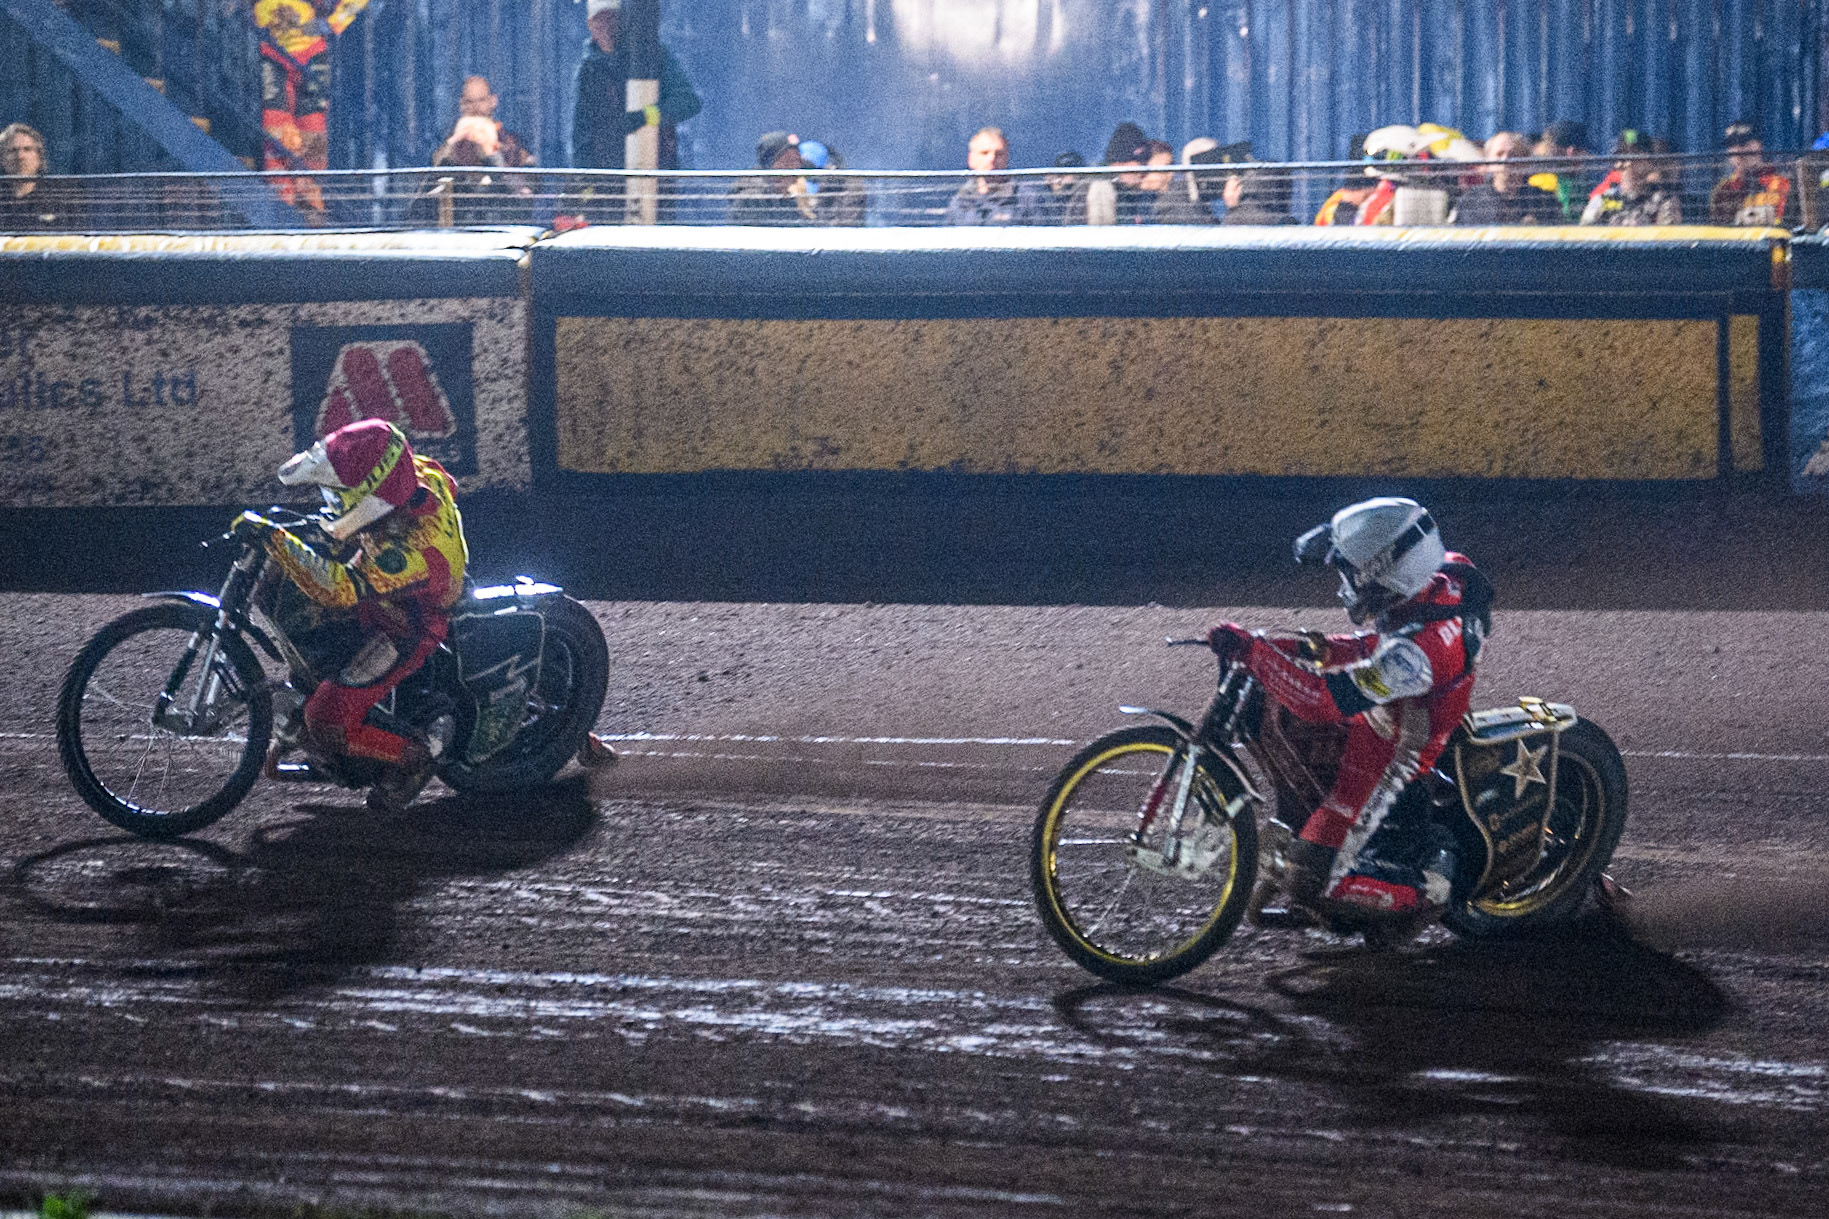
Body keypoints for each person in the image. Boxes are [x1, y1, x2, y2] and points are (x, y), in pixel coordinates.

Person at [1208, 498, 1493, 930]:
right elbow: (1375, 645)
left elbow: (1323, 700)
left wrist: (1258, 653)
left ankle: (1428, 888)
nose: (1346, 585)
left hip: (1395, 760)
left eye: (1354, 575)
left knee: (1312, 882)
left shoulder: (1422, 654)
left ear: (1390, 575)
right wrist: (1307, 647)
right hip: (1381, 722)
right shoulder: (1432, 580)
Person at [231, 419, 468, 813]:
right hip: (383, 580)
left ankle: (413, 758)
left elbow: (343, 590)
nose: (331, 500)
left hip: (408, 623)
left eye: (340, 495)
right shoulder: (410, 470)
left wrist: (276, 538)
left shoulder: (418, 553)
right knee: (290, 601)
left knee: (325, 723)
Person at [569, 0, 702, 221]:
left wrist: (646, 116)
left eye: (613, 18)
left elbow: (688, 101)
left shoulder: (655, 56)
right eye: (601, 20)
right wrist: (583, 181)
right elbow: (582, 133)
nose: (608, 26)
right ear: (590, 24)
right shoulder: (588, 71)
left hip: (655, 175)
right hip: (607, 184)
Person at [255, 0, 370, 213]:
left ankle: (309, 202)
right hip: (269, 50)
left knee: (312, 126)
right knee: (275, 125)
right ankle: (282, 199)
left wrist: (333, 23)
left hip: (311, 52)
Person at [1453, 131, 1560, 225]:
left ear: (1525, 162)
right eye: (1499, 154)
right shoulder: (1471, 202)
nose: (1505, 160)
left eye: (1513, 154)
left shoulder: (1544, 201)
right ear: (1488, 161)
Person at [1581, 130, 1682, 226]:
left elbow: (1667, 240)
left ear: (1649, 162)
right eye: (1621, 157)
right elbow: (1583, 236)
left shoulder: (1662, 200)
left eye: (1634, 156)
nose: (1628, 164)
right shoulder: (1608, 199)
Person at [943, 126, 1041, 225]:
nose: (992, 159)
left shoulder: (1026, 199)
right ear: (971, 159)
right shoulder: (960, 201)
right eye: (984, 153)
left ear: (1006, 158)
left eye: (999, 154)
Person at [1710, 120, 1796, 227]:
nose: (1738, 151)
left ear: (1759, 146)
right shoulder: (1723, 189)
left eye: (1743, 143)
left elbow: (1781, 225)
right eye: (1732, 145)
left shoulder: (1780, 184)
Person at [0, 123, 77, 231]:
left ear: (39, 157)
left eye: (27, 149)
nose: (20, 156)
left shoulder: (60, 198)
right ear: (2, 159)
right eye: (12, 150)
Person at [1528, 119, 1592, 221]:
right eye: (1582, 151)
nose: (1587, 156)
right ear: (1571, 151)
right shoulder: (1540, 180)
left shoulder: (1578, 180)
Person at [1039, 151, 1089, 224]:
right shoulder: (1042, 197)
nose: (1059, 180)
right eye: (1058, 174)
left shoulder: (1084, 196)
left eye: (1064, 174)